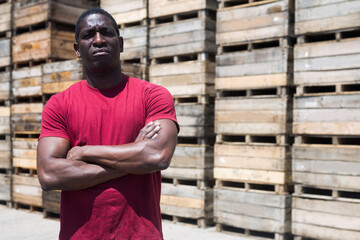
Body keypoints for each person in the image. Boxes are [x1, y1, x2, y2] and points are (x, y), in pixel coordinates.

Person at [36, 8, 179, 240]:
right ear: (77, 50)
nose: (99, 40)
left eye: (106, 32)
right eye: (89, 35)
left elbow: (157, 156)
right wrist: (134, 157)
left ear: (120, 43)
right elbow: (50, 175)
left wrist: (84, 152)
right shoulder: (59, 104)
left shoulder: (152, 96)